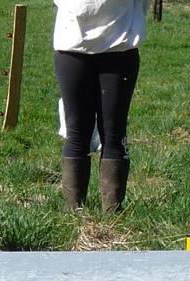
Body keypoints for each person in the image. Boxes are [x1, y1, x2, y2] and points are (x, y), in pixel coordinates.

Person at [53, 0, 147, 212]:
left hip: (119, 47)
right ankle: (74, 212)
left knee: (113, 133)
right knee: (77, 132)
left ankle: (112, 213)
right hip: (73, 47)